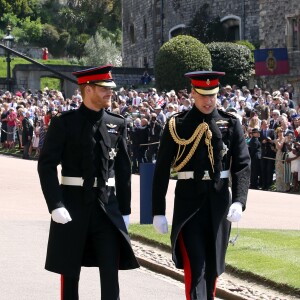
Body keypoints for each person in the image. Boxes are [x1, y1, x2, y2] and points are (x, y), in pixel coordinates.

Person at [37, 65, 139, 300]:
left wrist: (124, 210)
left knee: (111, 274)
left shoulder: (117, 123)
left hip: (106, 208)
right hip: (73, 206)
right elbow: (46, 165)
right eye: (104, 88)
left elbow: (124, 170)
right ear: (88, 89)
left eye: (110, 88)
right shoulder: (64, 122)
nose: (110, 93)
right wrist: (55, 204)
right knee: (69, 273)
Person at [152, 71, 250, 300]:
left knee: (213, 269)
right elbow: (161, 169)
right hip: (189, 204)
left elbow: (243, 164)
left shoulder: (230, 123)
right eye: (203, 95)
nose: (208, 101)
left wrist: (239, 200)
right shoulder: (177, 124)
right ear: (193, 94)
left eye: (213, 95)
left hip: (218, 203)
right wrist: (157, 210)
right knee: (196, 268)